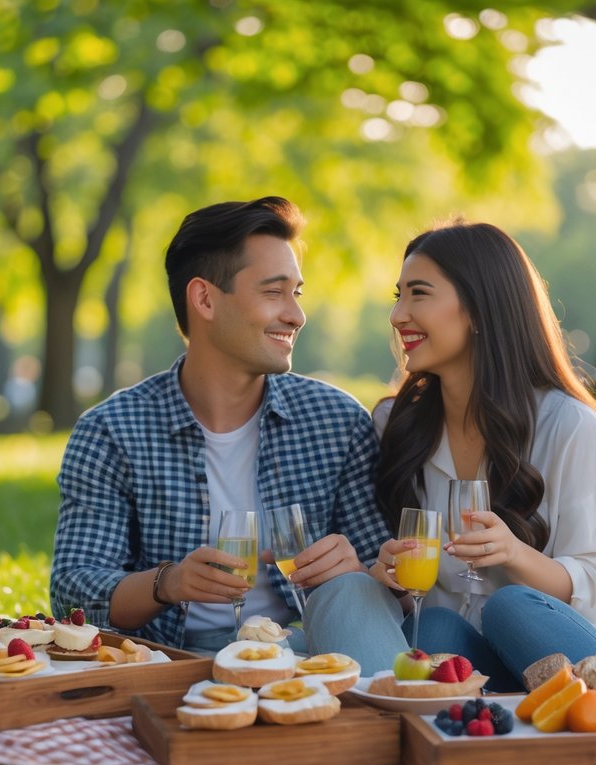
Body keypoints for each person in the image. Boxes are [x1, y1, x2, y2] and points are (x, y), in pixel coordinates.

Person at [303, 220, 596, 689]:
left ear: (477, 309)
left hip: (574, 656)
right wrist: (389, 573)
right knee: (429, 629)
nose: (397, 314)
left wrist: (514, 553)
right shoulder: (398, 424)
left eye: (418, 294)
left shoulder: (568, 425)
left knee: (509, 607)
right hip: (475, 668)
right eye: (399, 295)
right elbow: (417, 595)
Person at [50, 196, 390, 653]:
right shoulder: (112, 431)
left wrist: (358, 572)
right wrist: (168, 583)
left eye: (297, 293)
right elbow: (74, 591)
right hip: (174, 662)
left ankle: (396, 715)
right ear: (205, 299)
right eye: (274, 292)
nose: (296, 315)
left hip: (314, 649)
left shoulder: (337, 421)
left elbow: (387, 585)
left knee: (359, 601)